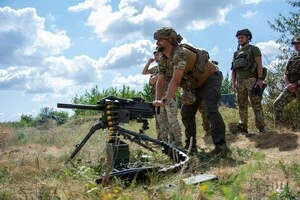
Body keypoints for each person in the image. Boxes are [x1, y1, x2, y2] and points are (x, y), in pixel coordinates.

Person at [152, 27, 228, 156]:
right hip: (194, 85)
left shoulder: (180, 54)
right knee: (187, 113)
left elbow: (175, 81)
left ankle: (221, 147)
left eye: (160, 40)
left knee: (211, 109)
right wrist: (157, 101)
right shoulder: (164, 60)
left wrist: (166, 100)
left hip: (210, 78)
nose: (157, 43)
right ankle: (191, 147)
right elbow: (160, 82)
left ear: (169, 40)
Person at [142, 50, 182, 146]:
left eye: (158, 55)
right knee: (161, 121)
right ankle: (163, 141)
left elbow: (155, 80)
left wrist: (156, 78)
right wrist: (149, 62)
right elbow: (147, 76)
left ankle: (177, 141)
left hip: (168, 97)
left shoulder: (169, 66)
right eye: (155, 55)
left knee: (171, 120)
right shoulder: (156, 68)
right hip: (158, 97)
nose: (156, 57)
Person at [231, 28, 266, 134]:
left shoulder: (254, 49)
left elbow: (259, 65)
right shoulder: (236, 53)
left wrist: (260, 80)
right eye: (238, 38)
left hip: (252, 80)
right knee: (241, 105)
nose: (240, 39)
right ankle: (243, 128)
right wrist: (234, 83)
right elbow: (233, 70)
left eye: (242, 37)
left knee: (256, 104)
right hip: (240, 81)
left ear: (248, 38)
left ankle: (261, 128)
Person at [273, 36, 300, 128]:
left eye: (298, 43)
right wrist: (289, 85)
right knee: (277, 104)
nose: (296, 45)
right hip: (291, 87)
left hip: (297, 86)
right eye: (295, 44)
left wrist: (295, 85)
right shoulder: (292, 58)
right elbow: (285, 74)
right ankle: (280, 131)